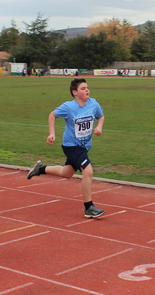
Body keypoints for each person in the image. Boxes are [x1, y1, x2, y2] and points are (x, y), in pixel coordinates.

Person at [27, 78, 106, 219]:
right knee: (88, 172)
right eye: (83, 88)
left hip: (84, 146)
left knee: (67, 173)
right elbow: (52, 115)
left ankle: (40, 168)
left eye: (87, 87)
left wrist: (99, 127)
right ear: (74, 92)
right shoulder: (69, 107)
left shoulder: (93, 104)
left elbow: (101, 116)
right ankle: (89, 207)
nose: (87, 90)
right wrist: (52, 133)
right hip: (72, 146)